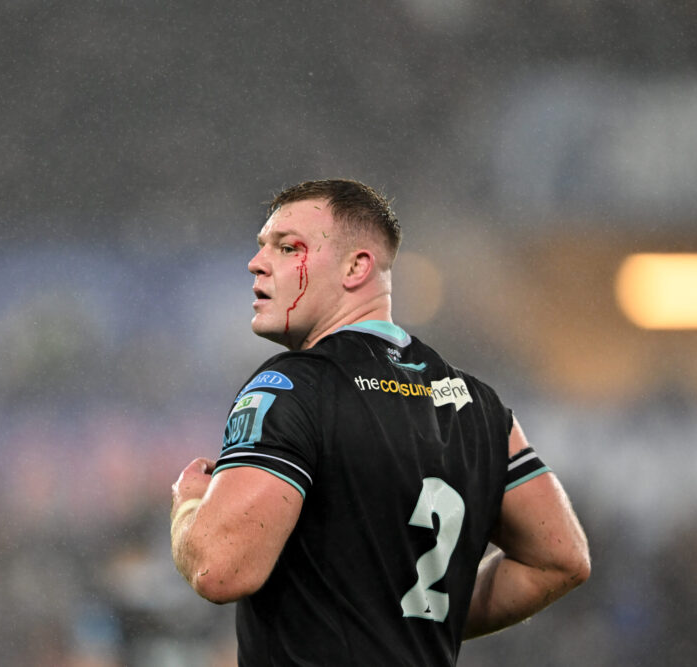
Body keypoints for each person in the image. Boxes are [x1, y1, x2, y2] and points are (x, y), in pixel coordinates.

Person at [170, 179, 590, 665]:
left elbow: (220, 570)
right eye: (262, 245)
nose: (256, 262)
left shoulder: (290, 387)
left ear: (357, 267)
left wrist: (189, 505)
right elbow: (560, 559)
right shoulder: (480, 405)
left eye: (288, 248)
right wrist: (410, 622)